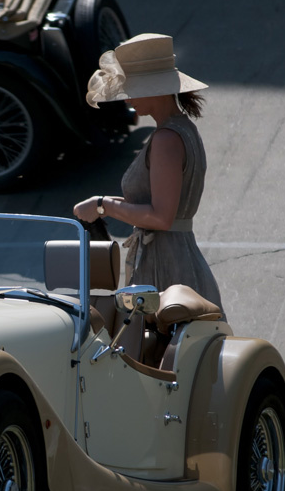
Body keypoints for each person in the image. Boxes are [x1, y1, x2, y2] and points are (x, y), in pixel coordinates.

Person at [72, 33, 224, 312]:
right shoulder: (180, 129)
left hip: (166, 271)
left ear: (157, 88)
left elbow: (160, 217)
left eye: (134, 88)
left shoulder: (167, 138)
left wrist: (103, 205)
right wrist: (102, 204)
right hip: (172, 261)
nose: (128, 97)